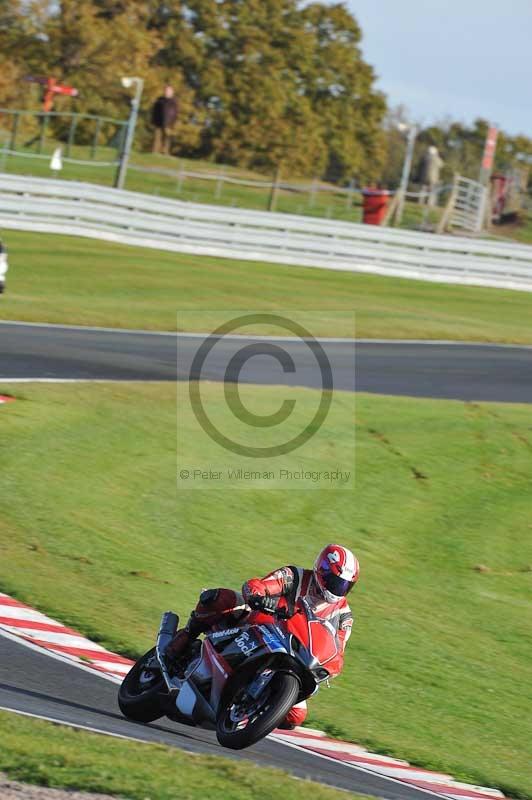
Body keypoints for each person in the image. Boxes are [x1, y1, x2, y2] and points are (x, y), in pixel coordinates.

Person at [165, 544, 359, 729]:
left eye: (344, 585)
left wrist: (330, 667)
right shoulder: (295, 577)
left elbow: (337, 649)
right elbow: (259, 586)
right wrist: (259, 595)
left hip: (297, 655)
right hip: (261, 625)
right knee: (221, 600)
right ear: (321, 572)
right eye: (334, 582)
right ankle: (185, 639)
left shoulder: (344, 615)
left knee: (295, 716)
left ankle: (251, 710)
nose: (338, 589)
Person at [151, 85, 178, 155]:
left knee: (167, 138)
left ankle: (165, 152)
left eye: (169, 91)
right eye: (166, 90)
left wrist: (173, 123)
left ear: (172, 92)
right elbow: (155, 111)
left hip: (168, 123)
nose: (167, 92)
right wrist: (153, 120)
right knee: (157, 137)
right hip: (158, 122)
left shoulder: (174, 102)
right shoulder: (159, 100)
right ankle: (155, 152)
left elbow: (175, 113)